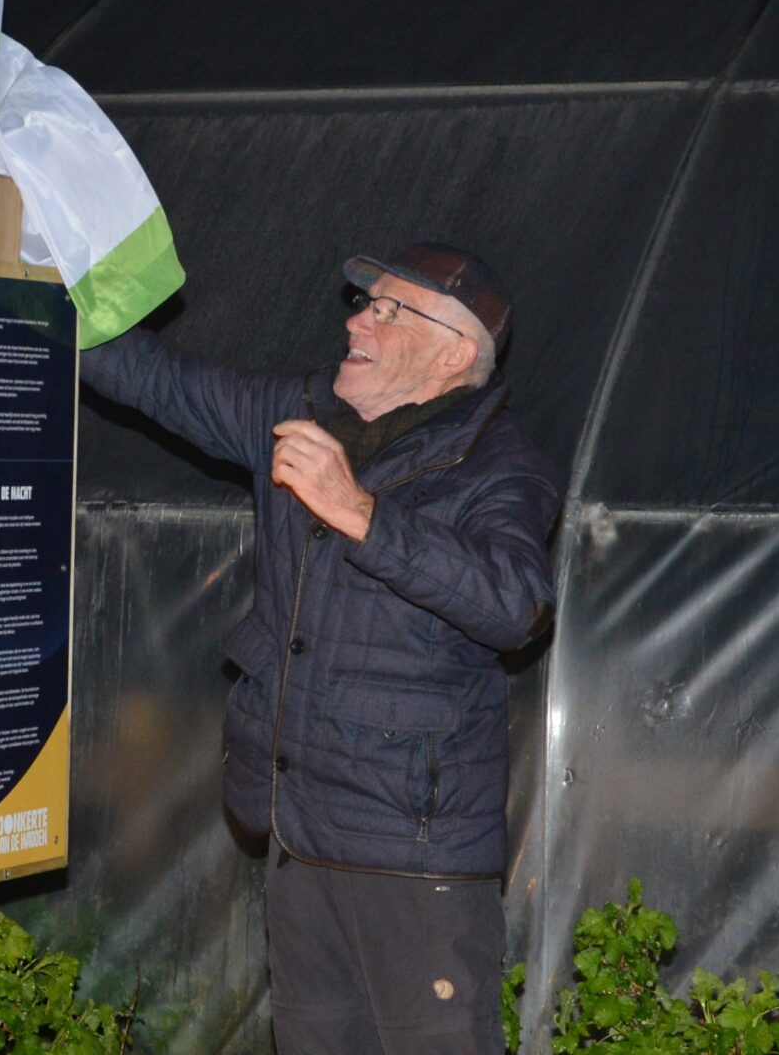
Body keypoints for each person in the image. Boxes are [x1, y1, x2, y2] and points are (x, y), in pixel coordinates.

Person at [82, 244, 560, 1054]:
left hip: (413, 853)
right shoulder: (297, 414)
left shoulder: (500, 468)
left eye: (387, 310)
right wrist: (43, 292)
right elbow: (157, 382)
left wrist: (363, 512)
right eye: (363, 303)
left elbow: (514, 605)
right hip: (297, 837)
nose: (356, 320)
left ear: (454, 353)